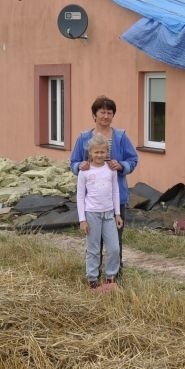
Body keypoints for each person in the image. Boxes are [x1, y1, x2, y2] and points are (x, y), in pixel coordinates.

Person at [70, 95, 138, 275]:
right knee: (94, 240)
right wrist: (79, 166)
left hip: (116, 198)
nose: (106, 116)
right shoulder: (84, 137)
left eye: (110, 112)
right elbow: (73, 162)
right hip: (92, 200)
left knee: (116, 240)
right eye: (102, 112)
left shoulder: (121, 137)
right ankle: (94, 274)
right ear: (94, 114)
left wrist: (122, 165)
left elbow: (133, 159)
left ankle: (115, 275)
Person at [77, 134, 123, 288]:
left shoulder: (111, 170)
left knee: (114, 248)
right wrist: (82, 220)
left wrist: (117, 214)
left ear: (107, 153)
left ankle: (110, 277)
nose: (99, 155)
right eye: (96, 152)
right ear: (90, 152)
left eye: (102, 152)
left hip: (109, 214)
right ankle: (92, 280)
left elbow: (115, 191)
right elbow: (80, 196)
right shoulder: (84, 171)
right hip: (92, 215)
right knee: (93, 249)